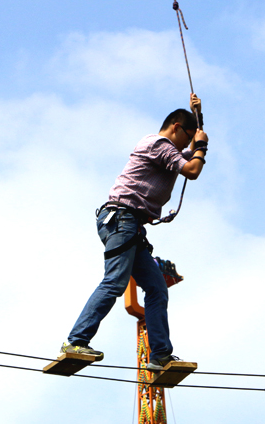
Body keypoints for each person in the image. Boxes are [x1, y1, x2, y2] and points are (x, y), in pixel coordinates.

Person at [62, 93, 208, 371]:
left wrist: (199, 119)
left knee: (156, 288)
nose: (186, 144)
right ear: (176, 127)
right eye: (185, 137)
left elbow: (197, 151)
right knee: (115, 282)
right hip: (122, 219)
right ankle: (76, 340)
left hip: (130, 224)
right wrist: (199, 146)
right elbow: (192, 168)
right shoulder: (157, 144)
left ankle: (160, 355)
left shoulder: (170, 149)